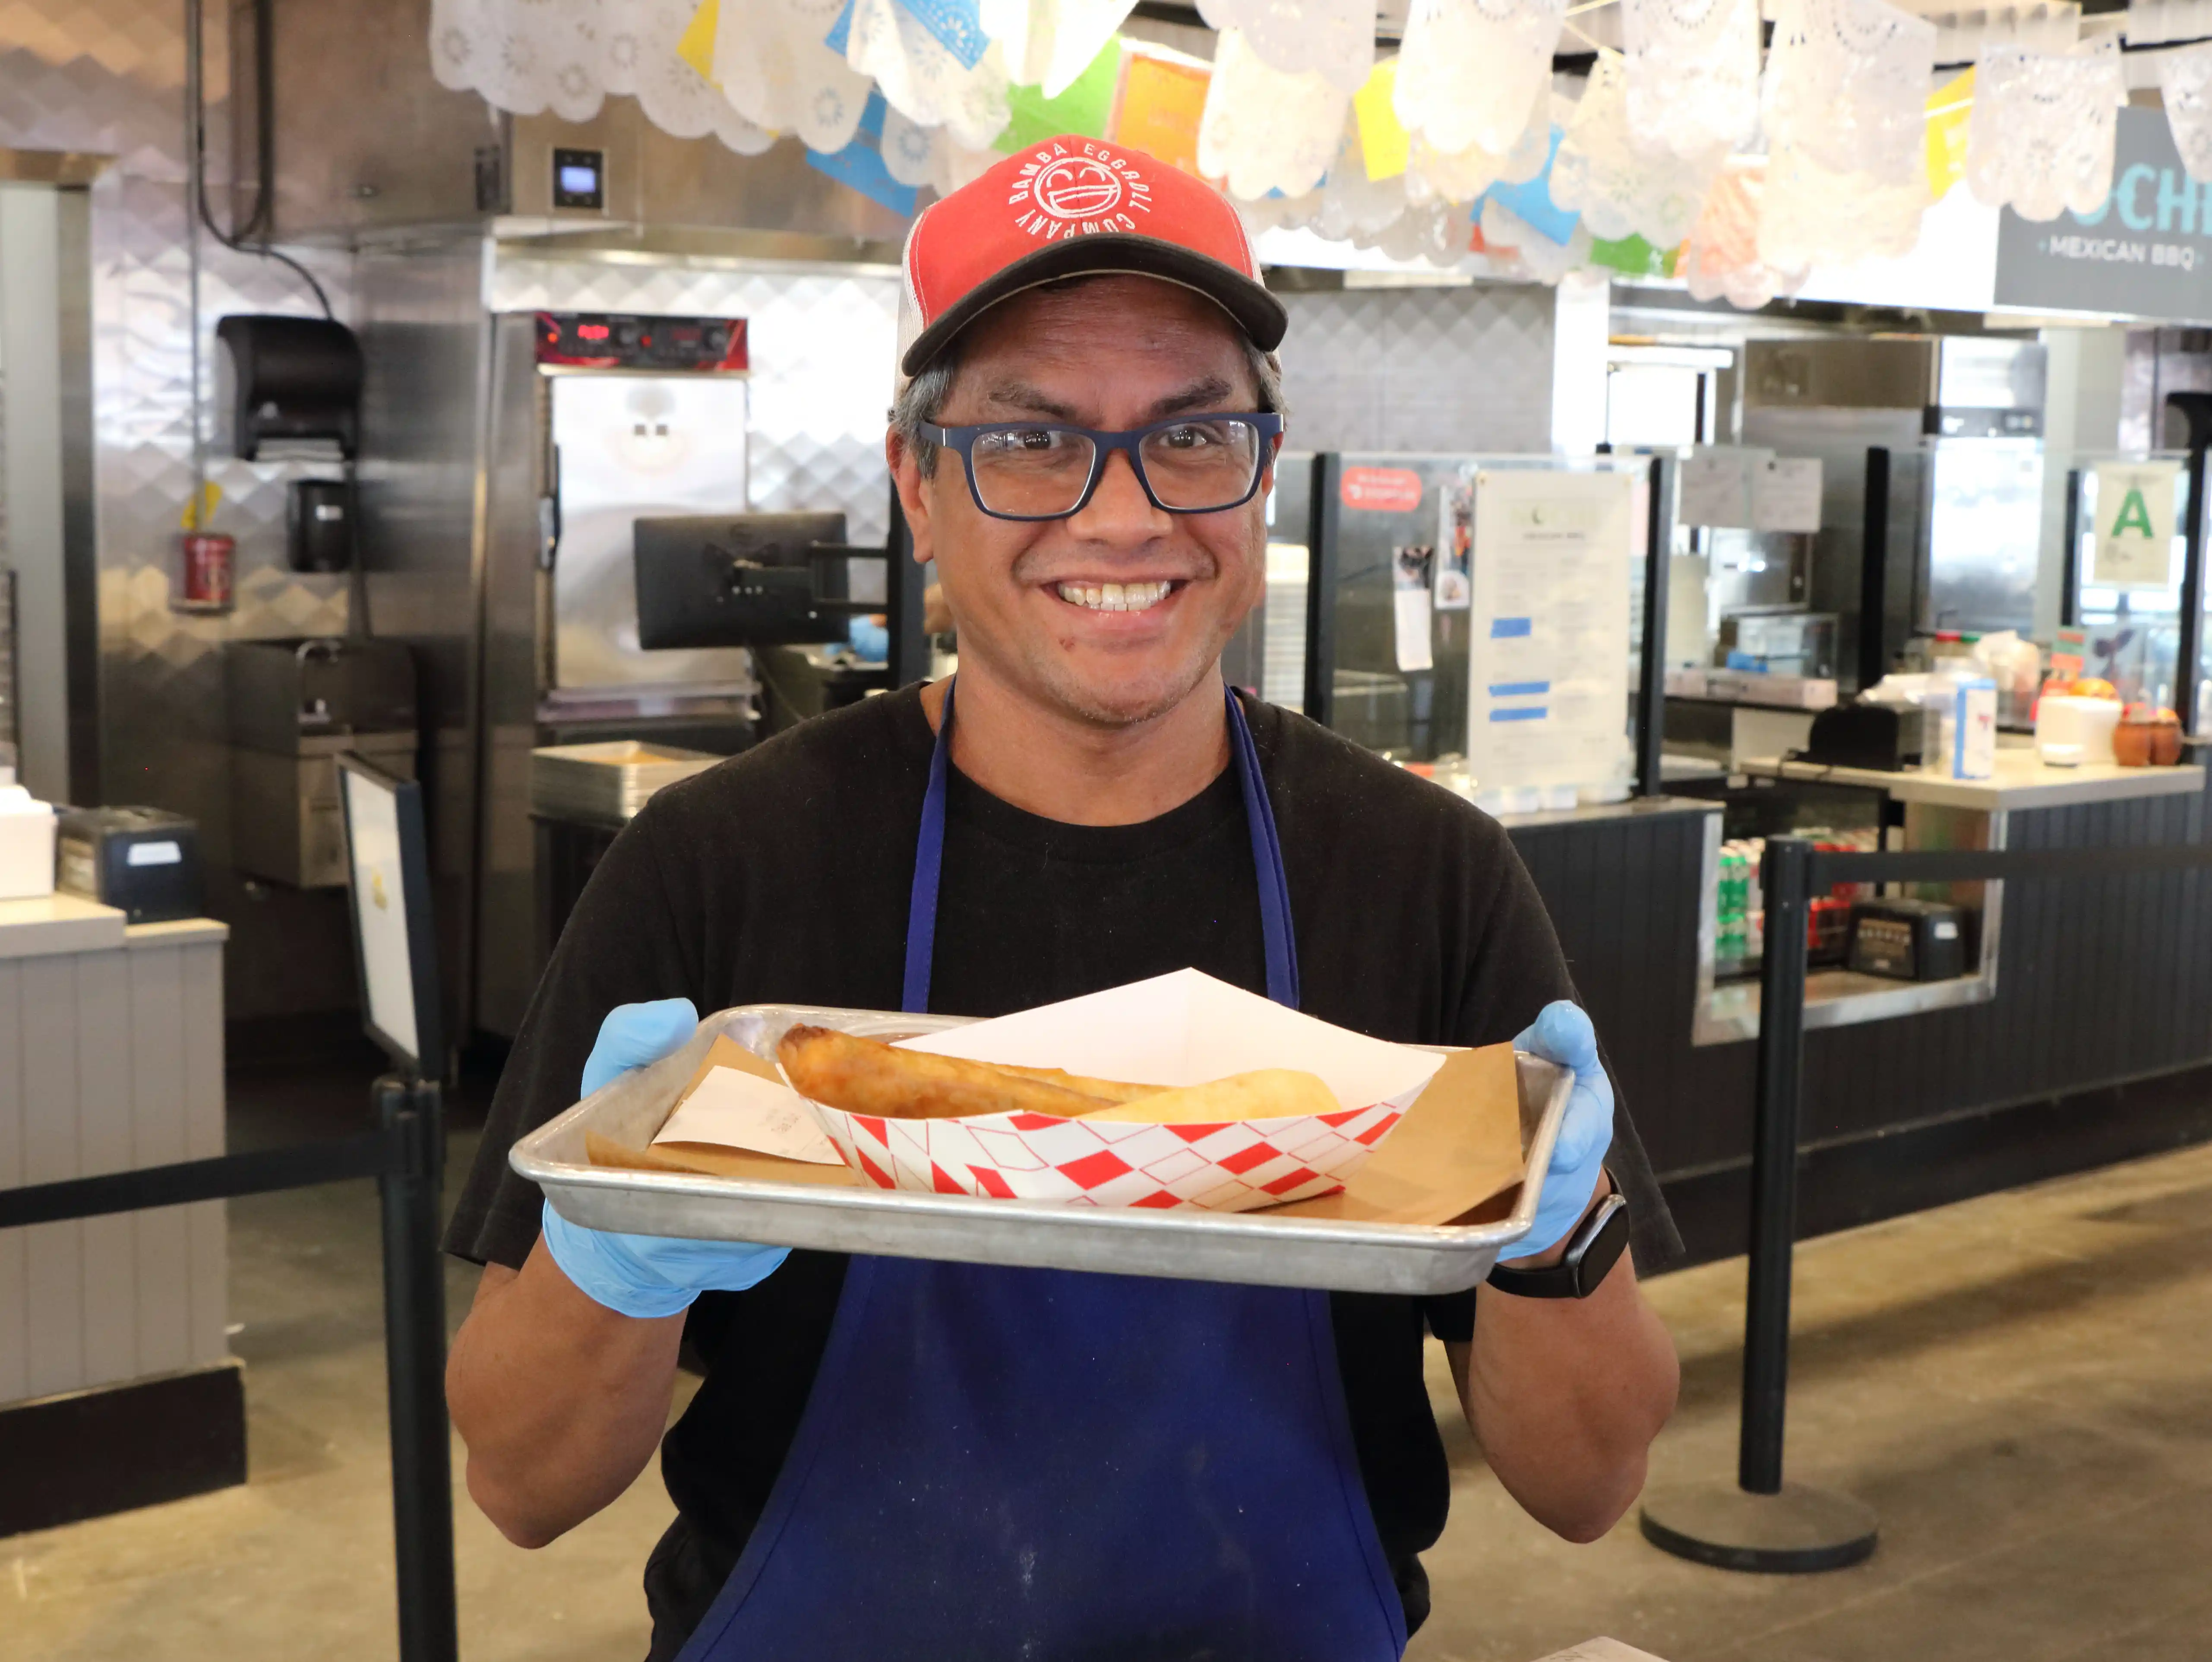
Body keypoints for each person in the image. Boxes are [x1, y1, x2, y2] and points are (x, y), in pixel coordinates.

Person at [444, 134, 1682, 1662]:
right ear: (915, 480)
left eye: (1190, 434)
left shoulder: (1420, 872)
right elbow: (519, 1478)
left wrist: (1550, 1242)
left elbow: (1587, 1483)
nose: (1120, 516)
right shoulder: (720, 864)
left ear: (1262, 472)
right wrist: (614, 1250)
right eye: (1030, 441)